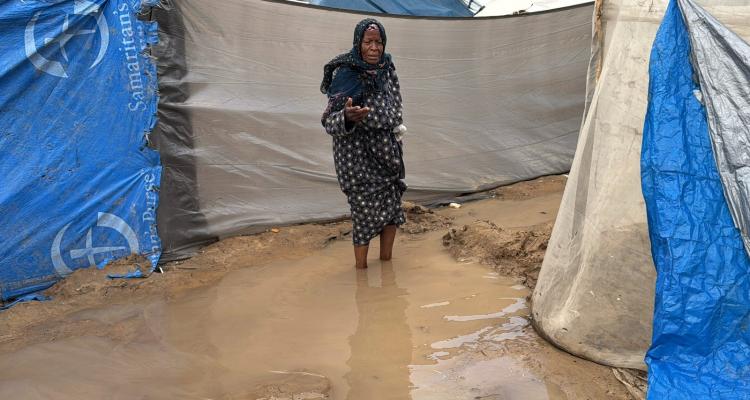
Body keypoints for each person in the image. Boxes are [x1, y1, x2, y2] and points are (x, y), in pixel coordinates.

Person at [320, 18, 407, 269]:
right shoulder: (346, 72)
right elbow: (329, 121)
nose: (374, 48)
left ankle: (386, 263)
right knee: (364, 214)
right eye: (368, 42)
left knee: (392, 210)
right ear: (358, 43)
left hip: (387, 153)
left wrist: (393, 124)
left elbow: (396, 101)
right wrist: (347, 117)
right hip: (356, 156)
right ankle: (361, 272)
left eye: (379, 42)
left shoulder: (386, 67)